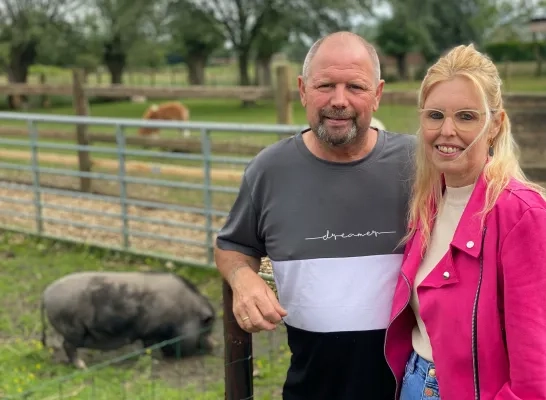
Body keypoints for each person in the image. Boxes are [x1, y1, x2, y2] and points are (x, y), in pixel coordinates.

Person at [214, 31, 416, 400]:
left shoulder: (419, 165)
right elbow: (232, 243)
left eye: (355, 86)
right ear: (303, 89)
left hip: (414, 390)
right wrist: (242, 278)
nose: (339, 101)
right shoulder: (269, 171)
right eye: (326, 85)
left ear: (378, 93)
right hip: (311, 386)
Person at [384, 43, 546, 400]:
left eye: (467, 116)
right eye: (436, 115)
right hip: (414, 381)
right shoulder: (429, 201)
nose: (447, 130)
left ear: (495, 125)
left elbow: (535, 376)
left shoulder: (522, 215)